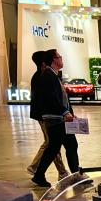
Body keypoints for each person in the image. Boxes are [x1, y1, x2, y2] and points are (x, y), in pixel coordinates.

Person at [29, 49, 79, 188]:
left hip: (61, 118)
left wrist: (69, 112)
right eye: (59, 56)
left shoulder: (53, 75)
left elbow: (62, 98)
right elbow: (51, 98)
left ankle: (75, 174)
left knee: (68, 145)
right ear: (53, 60)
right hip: (56, 119)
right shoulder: (48, 76)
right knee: (54, 147)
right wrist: (65, 112)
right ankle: (40, 175)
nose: (61, 58)